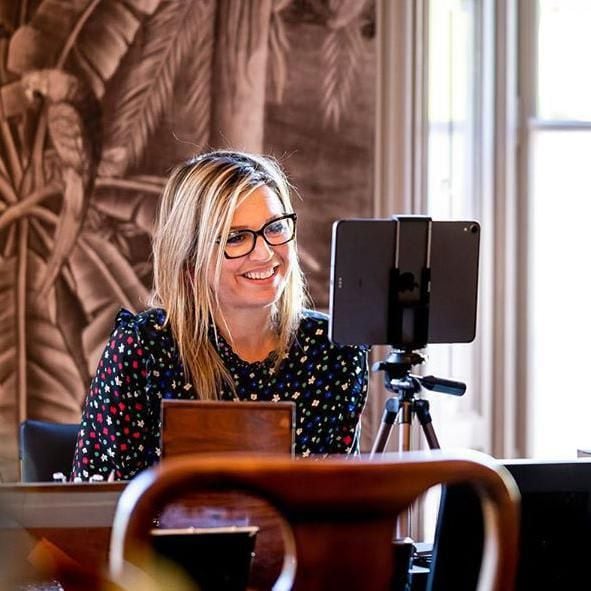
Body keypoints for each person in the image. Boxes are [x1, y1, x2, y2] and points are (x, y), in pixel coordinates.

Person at [71, 150, 368, 481]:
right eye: (236, 237)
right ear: (191, 257)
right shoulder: (144, 349)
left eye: (275, 227)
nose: (265, 252)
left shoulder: (333, 349)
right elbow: (95, 507)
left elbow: (337, 502)